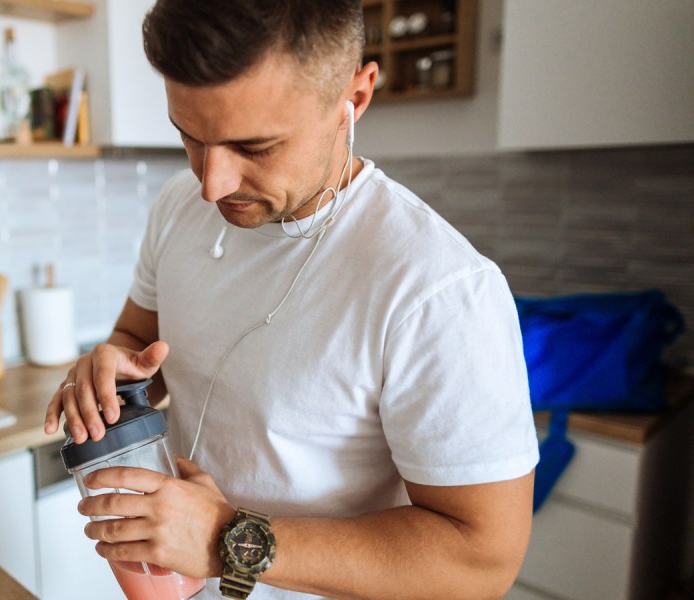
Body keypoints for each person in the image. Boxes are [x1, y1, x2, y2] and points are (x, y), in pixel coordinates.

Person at [44, 1, 539, 598]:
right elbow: (135, 345)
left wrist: (227, 539)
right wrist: (109, 374)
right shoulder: (179, 206)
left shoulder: (439, 288)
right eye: (190, 138)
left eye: (254, 148)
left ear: (354, 99)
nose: (213, 183)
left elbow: (480, 562)